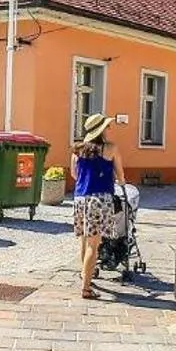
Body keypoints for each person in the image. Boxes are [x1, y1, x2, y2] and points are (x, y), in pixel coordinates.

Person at [70, 114, 126, 299]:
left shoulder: (77, 150)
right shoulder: (110, 148)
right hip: (99, 200)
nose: (110, 129)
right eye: (107, 126)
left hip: (80, 198)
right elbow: (120, 176)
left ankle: (86, 274)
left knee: (84, 240)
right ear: (101, 131)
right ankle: (86, 288)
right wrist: (120, 181)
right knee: (94, 244)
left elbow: (74, 174)